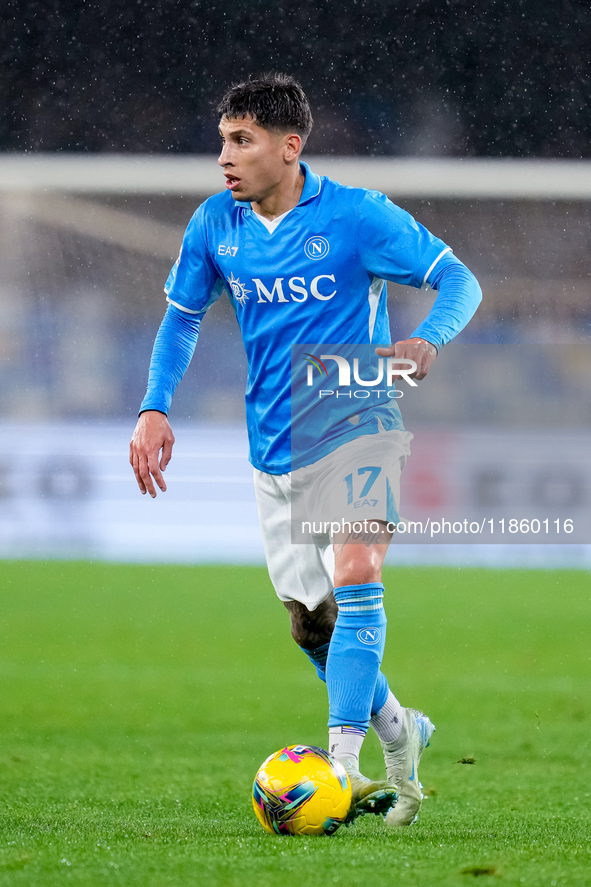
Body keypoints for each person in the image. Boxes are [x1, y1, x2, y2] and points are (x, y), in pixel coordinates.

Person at [130, 73, 482, 827]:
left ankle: (344, 768)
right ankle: (402, 729)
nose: (223, 156)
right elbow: (183, 319)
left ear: (289, 148)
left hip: (357, 421)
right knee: (310, 622)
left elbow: (457, 279)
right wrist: (155, 405)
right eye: (223, 139)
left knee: (357, 575)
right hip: (274, 445)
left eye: (241, 140)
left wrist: (426, 336)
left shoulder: (356, 216)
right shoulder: (213, 225)